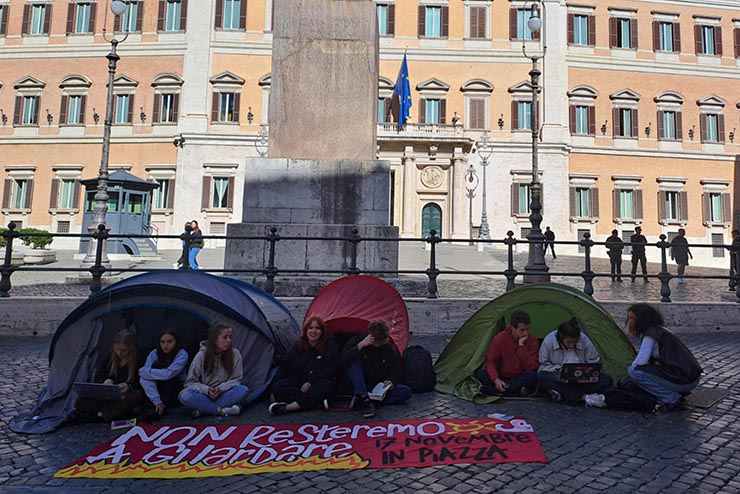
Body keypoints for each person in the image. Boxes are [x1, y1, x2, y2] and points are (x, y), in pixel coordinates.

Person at [596, 304, 702, 412]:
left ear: (642, 320)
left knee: (634, 372)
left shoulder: (650, 335)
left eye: (632, 318)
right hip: (690, 378)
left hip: (684, 381)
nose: (629, 322)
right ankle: (672, 394)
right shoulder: (658, 330)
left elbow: (640, 363)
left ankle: (672, 399)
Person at [269, 317, 338, 415]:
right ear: (306, 330)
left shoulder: (329, 346)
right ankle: (317, 403)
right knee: (279, 386)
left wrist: (310, 382)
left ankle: (288, 407)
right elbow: (287, 361)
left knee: (324, 388)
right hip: (300, 381)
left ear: (322, 331)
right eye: (310, 328)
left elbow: (330, 370)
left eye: (317, 328)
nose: (313, 331)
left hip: (319, 381)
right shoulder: (298, 345)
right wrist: (272, 356)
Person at [342, 321, 412, 418]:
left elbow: (397, 369)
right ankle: (365, 399)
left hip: (377, 386)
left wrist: (391, 381)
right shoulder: (358, 341)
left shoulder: (388, 347)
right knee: (354, 364)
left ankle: (367, 401)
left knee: (405, 392)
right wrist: (360, 346)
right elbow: (344, 360)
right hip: (359, 383)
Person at [179, 324, 248, 417]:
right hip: (204, 395)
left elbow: (236, 380)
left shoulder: (235, 354)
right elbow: (190, 382)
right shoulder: (201, 355)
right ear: (215, 339)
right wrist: (207, 390)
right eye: (225, 337)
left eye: (230, 337)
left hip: (224, 393)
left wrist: (220, 389)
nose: (229, 340)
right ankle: (220, 411)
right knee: (185, 395)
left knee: (242, 390)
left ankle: (205, 410)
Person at [75, 330, 145, 422]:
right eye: (117, 350)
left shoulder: (139, 359)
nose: (119, 353)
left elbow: (143, 382)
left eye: (123, 350)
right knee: (80, 401)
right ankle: (102, 414)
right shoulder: (110, 357)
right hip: (110, 393)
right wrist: (106, 380)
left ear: (131, 348)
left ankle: (100, 414)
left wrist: (128, 385)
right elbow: (99, 375)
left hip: (128, 394)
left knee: (125, 402)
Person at [537, 318, 612, 404]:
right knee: (542, 377)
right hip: (559, 377)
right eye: (569, 342)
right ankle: (584, 397)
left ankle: (565, 394)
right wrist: (560, 370)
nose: (572, 345)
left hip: (582, 379)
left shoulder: (584, 340)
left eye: (575, 342)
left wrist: (586, 372)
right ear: (561, 338)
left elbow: (594, 362)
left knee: (606, 379)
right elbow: (543, 365)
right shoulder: (549, 341)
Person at [474, 310, 539, 396]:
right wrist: (496, 379)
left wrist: (521, 347)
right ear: (512, 328)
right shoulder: (500, 338)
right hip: (501, 375)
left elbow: (531, 366)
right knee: (481, 373)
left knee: (533, 376)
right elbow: (491, 361)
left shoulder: (532, 340)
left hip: (519, 376)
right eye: (522, 330)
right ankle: (510, 391)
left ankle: (497, 391)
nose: (525, 333)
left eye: (527, 329)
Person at [139, 329, 189, 419]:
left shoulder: (182, 354)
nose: (165, 345)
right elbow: (144, 377)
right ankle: (157, 406)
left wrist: (148, 372)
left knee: (166, 379)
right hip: (157, 390)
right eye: (162, 342)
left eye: (169, 342)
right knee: (145, 380)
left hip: (176, 387)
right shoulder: (154, 353)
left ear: (176, 342)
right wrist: (157, 401)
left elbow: (168, 374)